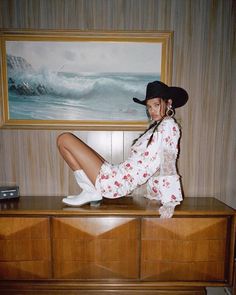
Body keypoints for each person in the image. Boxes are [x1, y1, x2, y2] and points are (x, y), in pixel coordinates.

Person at [57, 80, 188, 218]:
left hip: (117, 182)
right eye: (149, 107)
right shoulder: (158, 127)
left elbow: (168, 163)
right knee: (64, 141)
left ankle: (91, 190)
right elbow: (155, 164)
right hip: (118, 176)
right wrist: (155, 193)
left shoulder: (168, 126)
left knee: (64, 139)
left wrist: (169, 201)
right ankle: (90, 190)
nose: (152, 111)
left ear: (169, 103)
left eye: (156, 105)